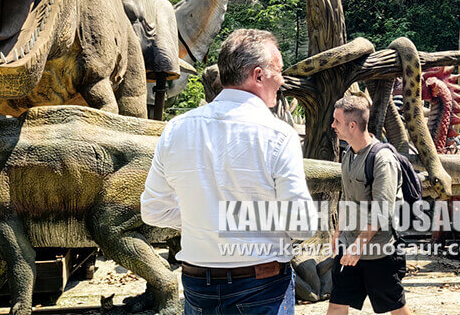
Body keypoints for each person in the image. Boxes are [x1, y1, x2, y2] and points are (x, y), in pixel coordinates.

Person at [141, 29, 316, 315]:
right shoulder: (279, 135)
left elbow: (152, 211)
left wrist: (205, 220)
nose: (282, 80)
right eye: (279, 70)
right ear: (258, 76)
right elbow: (301, 225)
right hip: (263, 285)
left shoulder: (176, 129)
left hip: (198, 286)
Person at [328, 94, 411, 315]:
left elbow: (381, 213)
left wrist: (357, 247)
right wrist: (339, 234)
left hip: (379, 252)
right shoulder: (348, 154)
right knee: (337, 303)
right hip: (349, 245)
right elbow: (346, 198)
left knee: (396, 307)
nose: (332, 125)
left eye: (337, 121)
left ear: (352, 125)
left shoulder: (382, 160)